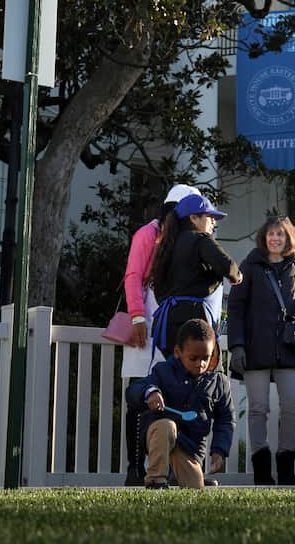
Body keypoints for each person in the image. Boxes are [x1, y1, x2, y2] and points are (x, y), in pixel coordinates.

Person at [226, 216, 295, 485]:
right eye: (271, 234)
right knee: (258, 409)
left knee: (291, 407)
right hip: (256, 347)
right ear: (264, 238)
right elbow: (236, 307)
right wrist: (237, 345)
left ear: (289, 238)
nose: (275, 239)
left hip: (289, 346)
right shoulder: (251, 265)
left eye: (280, 234)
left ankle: (286, 469)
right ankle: (262, 471)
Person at [119, 183, 199, 485]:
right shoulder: (148, 233)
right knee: (139, 395)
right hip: (147, 321)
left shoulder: (187, 239)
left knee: (172, 394)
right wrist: (137, 316)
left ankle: (166, 469)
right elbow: (133, 276)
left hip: (173, 325)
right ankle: (134, 469)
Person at [126, 318, 235, 489]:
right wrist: (150, 392)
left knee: (194, 488)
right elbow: (134, 389)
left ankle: (177, 476)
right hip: (161, 436)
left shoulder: (219, 382)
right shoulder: (163, 371)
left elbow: (226, 419)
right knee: (166, 426)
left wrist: (219, 449)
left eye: (206, 358)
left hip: (190, 448)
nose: (201, 364)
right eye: (193, 358)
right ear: (178, 352)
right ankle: (156, 481)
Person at [149, 194, 241, 359]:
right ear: (193, 218)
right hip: (193, 323)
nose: (214, 221)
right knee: (206, 377)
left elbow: (157, 288)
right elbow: (227, 266)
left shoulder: (167, 244)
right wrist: (236, 276)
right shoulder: (200, 239)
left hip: (166, 323)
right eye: (210, 216)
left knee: (176, 376)